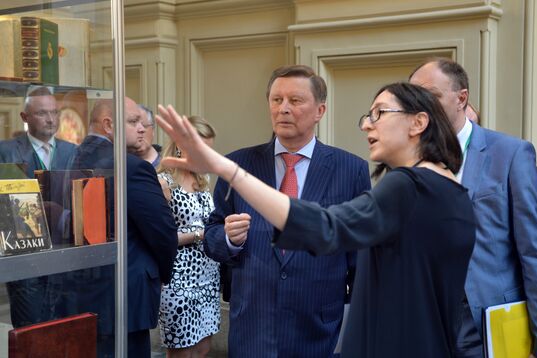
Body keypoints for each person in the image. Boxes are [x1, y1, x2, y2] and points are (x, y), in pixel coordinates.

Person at [155, 81, 476, 357]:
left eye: (379, 113)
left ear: (418, 122)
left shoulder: (406, 185)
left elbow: (325, 226)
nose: (367, 124)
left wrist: (228, 170)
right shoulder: (453, 189)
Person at [202, 65, 371, 357]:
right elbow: (211, 236)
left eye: (295, 101)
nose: (283, 109)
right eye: (276, 100)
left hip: (318, 326)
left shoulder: (351, 169)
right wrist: (229, 239)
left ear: (320, 110)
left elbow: (358, 255)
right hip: (253, 325)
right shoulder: (238, 165)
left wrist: (358, 326)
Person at [409, 57, 537, 357]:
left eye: (430, 95)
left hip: (489, 324)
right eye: (413, 97)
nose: (420, 105)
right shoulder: (407, 163)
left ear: (461, 98)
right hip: (425, 325)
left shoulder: (510, 154)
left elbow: (535, 253)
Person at [62, 97, 178, 357]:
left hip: (79, 292)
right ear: (108, 125)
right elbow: (163, 233)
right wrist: (162, 275)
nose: (142, 128)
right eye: (133, 121)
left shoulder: (69, 157)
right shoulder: (132, 168)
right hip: (125, 295)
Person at [0, 86, 76, 328]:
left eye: (55, 112)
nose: (51, 119)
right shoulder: (6, 151)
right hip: (24, 257)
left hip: (68, 257)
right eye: (43, 113)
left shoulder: (72, 151)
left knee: (66, 331)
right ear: (25, 117)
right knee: (30, 332)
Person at [157, 116, 220, 358]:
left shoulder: (204, 180)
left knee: (203, 349)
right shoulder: (163, 182)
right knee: (183, 352)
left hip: (208, 275)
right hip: (178, 278)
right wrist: (200, 234)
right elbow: (161, 237)